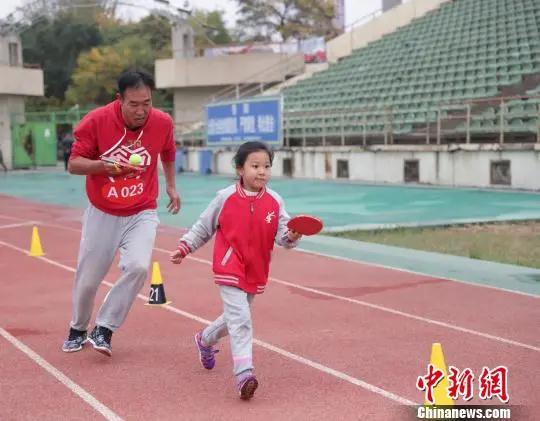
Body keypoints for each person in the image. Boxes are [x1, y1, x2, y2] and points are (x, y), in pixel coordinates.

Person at [169, 141, 302, 400]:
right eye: (255, 166)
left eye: (266, 166)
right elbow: (203, 226)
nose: (261, 172)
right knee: (240, 319)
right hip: (229, 265)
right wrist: (185, 246)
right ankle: (244, 374)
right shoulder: (225, 197)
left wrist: (293, 236)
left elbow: (284, 237)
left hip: (256, 269)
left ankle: (205, 339)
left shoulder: (275, 201)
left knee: (234, 318)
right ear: (240, 168)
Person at [62, 70, 181, 356]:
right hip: (103, 211)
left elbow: (168, 152)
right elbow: (74, 164)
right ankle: (78, 328)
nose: (141, 111)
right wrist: (104, 166)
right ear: (120, 100)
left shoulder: (162, 122)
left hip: (142, 210)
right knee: (88, 279)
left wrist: (172, 187)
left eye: (147, 103)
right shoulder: (97, 121)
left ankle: (104, 327)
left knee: (139, 267)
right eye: (134, 104)